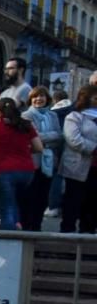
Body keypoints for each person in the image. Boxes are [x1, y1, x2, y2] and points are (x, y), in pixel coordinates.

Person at [0, 97, 43, 230]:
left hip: (5, 169)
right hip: (27, 170)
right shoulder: (26, 124)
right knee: (18, 201)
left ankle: (9, 231)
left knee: (7, 203)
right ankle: (19, 225)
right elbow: (39, 147)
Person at [21, 87, 62, 231]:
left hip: (49, 162)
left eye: (42, 96)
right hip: (33, 161)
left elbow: (59, 136)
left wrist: (41, 137)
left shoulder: (53, 115)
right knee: (30, 197)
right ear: (31, 100)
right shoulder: (26, 116)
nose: (39, 99)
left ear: (47, 98)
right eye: (35, 97)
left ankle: (37, 226)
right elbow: (33, 137)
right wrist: (46, 137)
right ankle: (28, 227)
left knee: (43, 197)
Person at [61, 85, 97, 233]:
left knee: (92, 205)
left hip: (95, 169)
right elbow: (73, 139)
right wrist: (94, 148)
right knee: (73, 203)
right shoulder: (74, 117)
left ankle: (87, 236)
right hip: (77, 167)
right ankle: (66, 236)